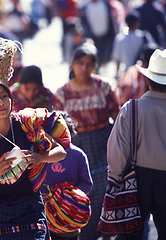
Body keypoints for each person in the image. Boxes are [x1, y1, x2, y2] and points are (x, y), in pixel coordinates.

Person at [0, 76, 67, 239]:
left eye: (4, 96)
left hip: (30, 209)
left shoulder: (25, 125)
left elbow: (61, 152)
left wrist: (40, 157)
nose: (0, 102)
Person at [107, 49, 166, 239]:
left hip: (135, 179)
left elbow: (117, 153)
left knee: (130, 235)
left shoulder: (131, 109)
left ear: (147, 81)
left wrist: (116, 180)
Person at [54, 43, 120, 240]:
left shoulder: (104, 87)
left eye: (89, 64)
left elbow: (118, 118)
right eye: (80, 63)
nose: (84, 68)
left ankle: (106, 233)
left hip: (103, 144)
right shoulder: (62, 94)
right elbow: (59, 128)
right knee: (82, 191)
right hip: (76, 146)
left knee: (104, 189)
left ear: (94, 66)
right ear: (72, 64)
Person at [40, 112, 93, 240]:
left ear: (69, 132)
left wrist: (68, 195)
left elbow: (87, 183)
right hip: (45, 216)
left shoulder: (78, 155)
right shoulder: (40, 156)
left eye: (63, 133)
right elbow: (32, 182)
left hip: (70, 217)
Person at [112, 11, 156, 78]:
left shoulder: (120, 38)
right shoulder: (144, 36)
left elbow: (117, 59)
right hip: (142, 72)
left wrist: (117, 74)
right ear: (137, 23)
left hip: (127, 73)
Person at [79, 0, 117, 68]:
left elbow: (110, 19)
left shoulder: (105, 4)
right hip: (92, 37)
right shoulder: (85, 7)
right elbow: (83, 23)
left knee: (104, 55)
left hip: (105, 36)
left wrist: (113, 33)